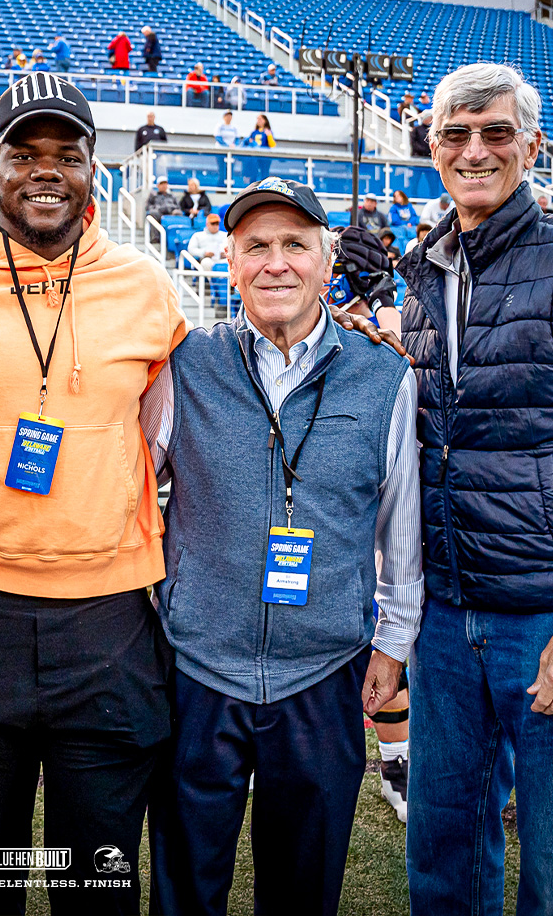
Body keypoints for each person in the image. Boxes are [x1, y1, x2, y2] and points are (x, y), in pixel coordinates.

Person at [0, 73, 186, 914]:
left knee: (99, 885)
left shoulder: (148, 289)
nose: (46, 171)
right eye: (24, 152)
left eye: (69, 155)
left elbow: (175, 430)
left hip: (112, 621)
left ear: (94, 171)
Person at [146, 175, 420, 916]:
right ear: (228, 263)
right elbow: (130, 492)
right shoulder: (186, 363)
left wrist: (392, 643)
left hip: (324, 671)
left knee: (304, 892)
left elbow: (401, 525)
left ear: (326, 262)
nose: (276, 263)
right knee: (185, 889)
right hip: (200, 667)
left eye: (295, 245)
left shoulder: (383, 374)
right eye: (255, 246)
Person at [397, 63, 553, 915]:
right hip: (447, 614)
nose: (476, 150)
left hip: (541, 614)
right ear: (432, 146)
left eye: (497, 132)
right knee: (443, 853)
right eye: (457, 134)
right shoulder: (423, 272)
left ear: (532, 145)